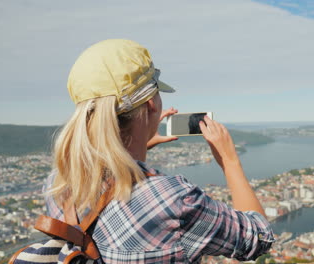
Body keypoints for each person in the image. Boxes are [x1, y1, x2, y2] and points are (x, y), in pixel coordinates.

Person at [44, 39, 274, 263]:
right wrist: (229, 161)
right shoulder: (173, 199)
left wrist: (140, 143)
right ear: (150, 104)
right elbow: (260, 238)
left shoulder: (58, 182)